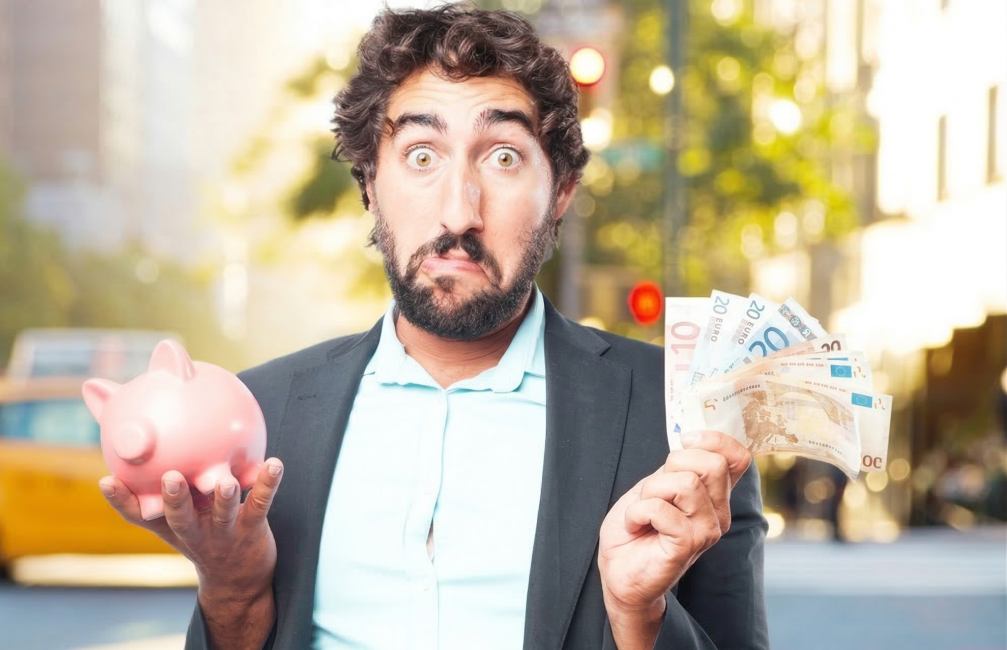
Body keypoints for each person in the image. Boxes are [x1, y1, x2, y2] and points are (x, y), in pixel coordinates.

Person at [100, 5, 769, 649]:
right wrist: (235, 592)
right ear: (370, 184)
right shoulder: (262, 416)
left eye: (503, 157)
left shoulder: (681, 414)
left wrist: (640, 616)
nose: (459, 211)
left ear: (561, 189)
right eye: (422, 155)